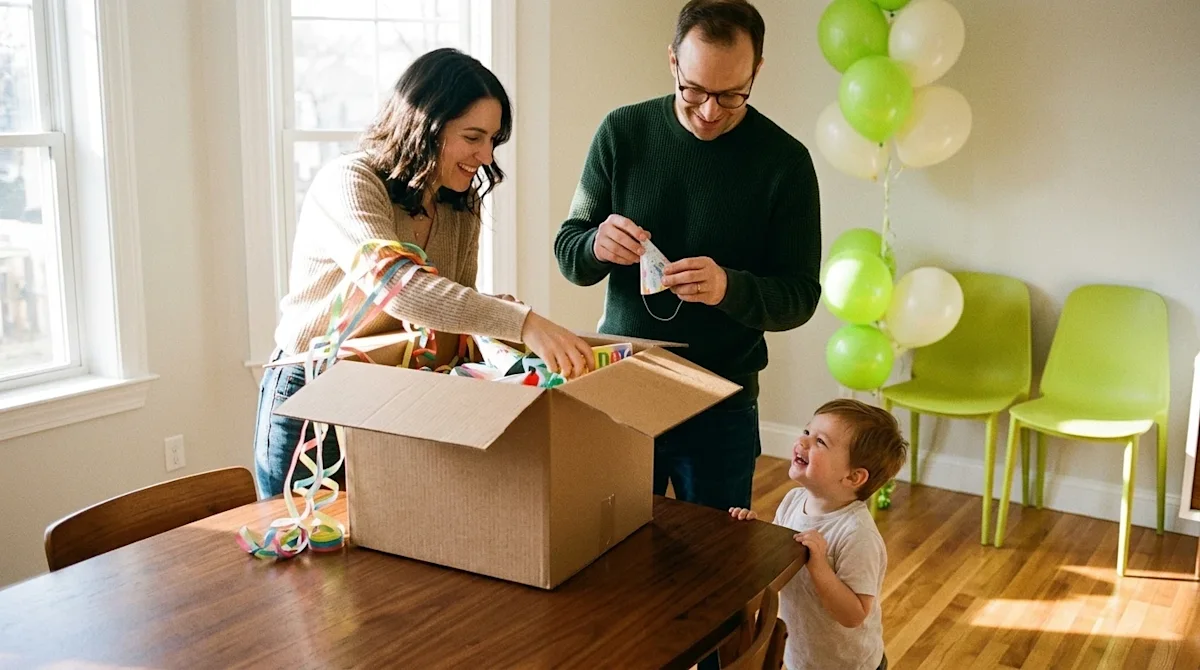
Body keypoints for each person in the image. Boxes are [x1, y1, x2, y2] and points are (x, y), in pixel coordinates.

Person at [255, 48, 593, 499]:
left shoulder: (460, 203)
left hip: (389, 386)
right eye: (473, 137)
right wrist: (524, 322)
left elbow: (450, 306)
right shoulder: (349, 182)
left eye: (493, 140)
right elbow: (398, 286)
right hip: (312, 391)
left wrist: (497, 317)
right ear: (426, 125)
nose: (486, 155)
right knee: (301, 553)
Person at [553, 0, 822, 513]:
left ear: (757, 71)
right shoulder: (622, 132)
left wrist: (730, 288)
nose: (709, 111)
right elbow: (570, 252)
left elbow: (800, 297)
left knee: (717, 567)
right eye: (695, 90)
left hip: (722, 401)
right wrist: (595, 245)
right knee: (613, 556)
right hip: (625, 387)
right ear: (673, 61)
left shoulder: (784, 163)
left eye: (731, 94)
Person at [730, 399, 907, 670]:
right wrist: (751, 534)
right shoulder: (792, 500)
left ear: (853, 477)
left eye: (820, 442)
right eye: (806, 432)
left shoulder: (857, 535)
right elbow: (772, 562)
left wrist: (819, 566)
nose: (803, 443)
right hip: (800, 657)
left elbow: (853, 615)